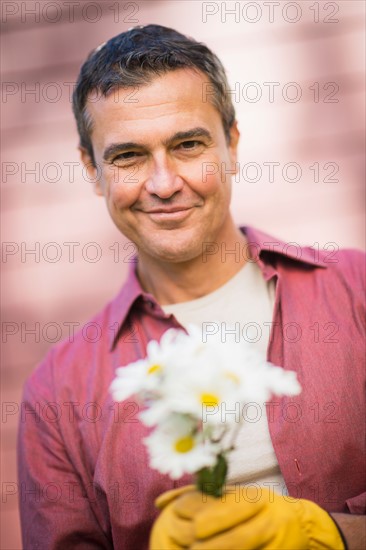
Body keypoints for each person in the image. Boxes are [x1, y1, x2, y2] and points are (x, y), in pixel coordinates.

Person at [18, 25, 365, 549]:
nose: (163, 183)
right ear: (92, 170)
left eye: (188, 144)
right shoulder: (55, 395)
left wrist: (328, 534)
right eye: (128, 156)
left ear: (232, 144)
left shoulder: (357, 292)